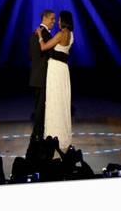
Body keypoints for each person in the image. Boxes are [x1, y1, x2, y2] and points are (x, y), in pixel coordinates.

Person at [36, 10, 74, 151]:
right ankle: (63, 135)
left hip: (55, 70)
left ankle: (53, 135)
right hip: (64, 70)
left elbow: (44, 47)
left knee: (53, 101)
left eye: (59, 20)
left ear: (64, 21)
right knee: (62, 101)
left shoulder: (60, 34)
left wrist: (40, 36)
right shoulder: (71, 35)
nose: (57, 22)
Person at [29, 9, 55, 141]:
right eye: (52, 19)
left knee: (38, 105)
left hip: (35, 75)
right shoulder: (45, 34)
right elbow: (50, 54)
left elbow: (31, 55)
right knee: (41, 107)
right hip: (43, 76)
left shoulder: (34, 33)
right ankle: (37, 135)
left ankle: (38, 133)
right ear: (45, 18)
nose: (54, 22)